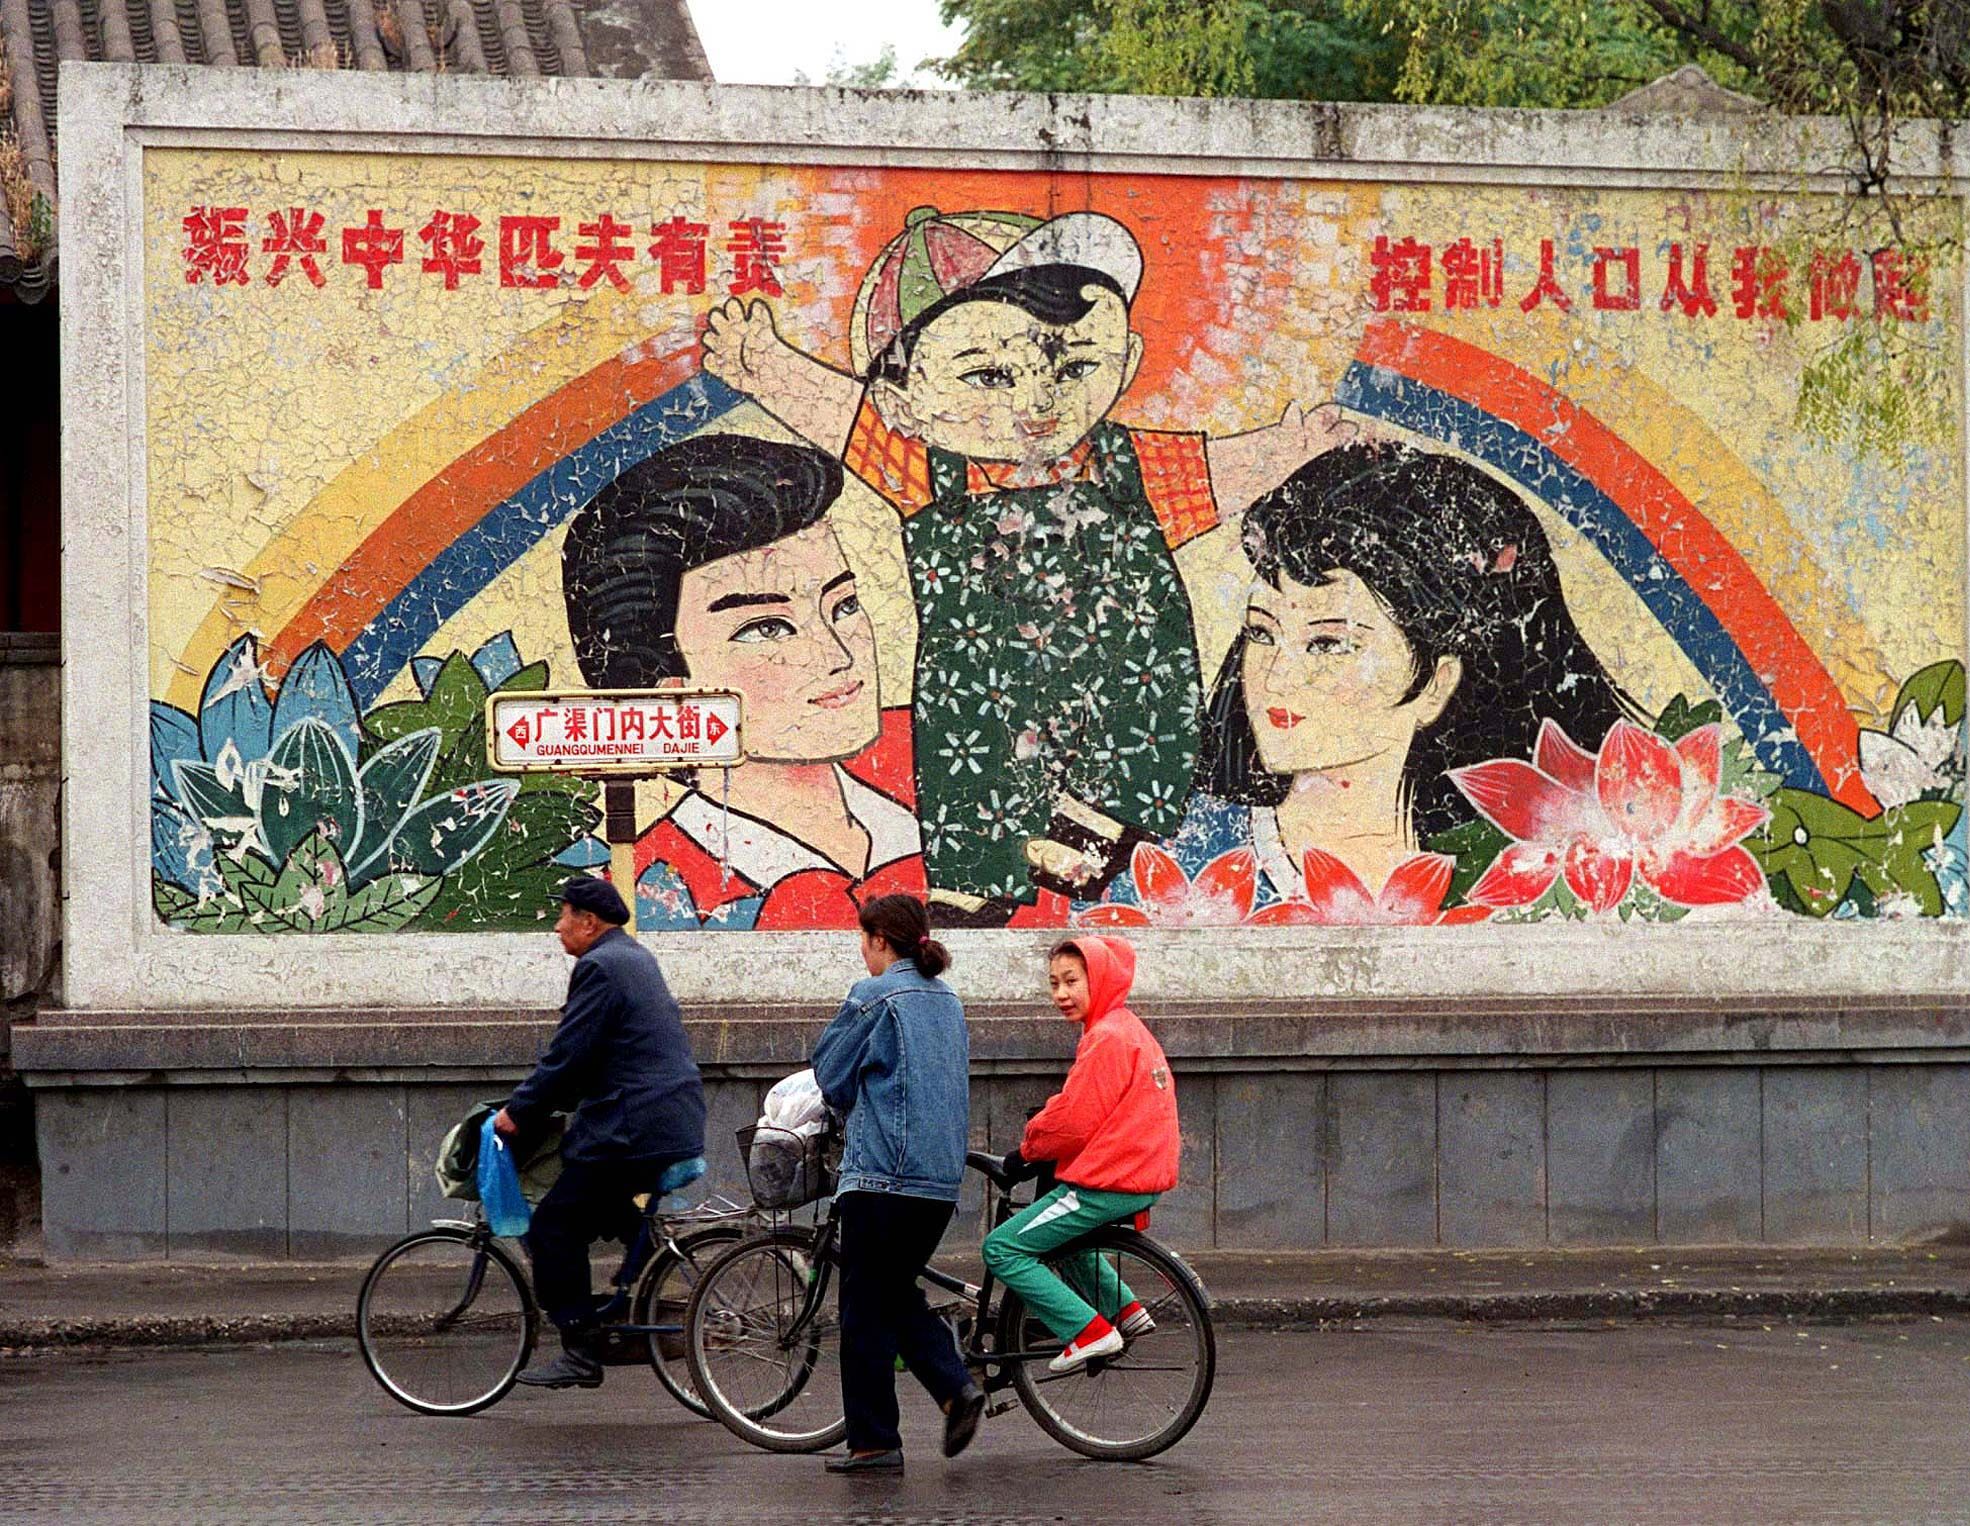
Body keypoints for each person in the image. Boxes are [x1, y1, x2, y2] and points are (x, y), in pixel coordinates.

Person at [701, 206, 1354, 920]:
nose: (1039, 401)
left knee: (1143, 723)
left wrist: (1285, 451)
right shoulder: (924, 473)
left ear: (1126, 362)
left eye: (1074, 367)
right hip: (984, 686)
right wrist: (765, 367)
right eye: (989, 377)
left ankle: (1096, 829)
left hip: (1121, 680)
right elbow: (841, 416)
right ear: (904, 402)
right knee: (969, 768)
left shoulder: (1130, 466)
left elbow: (1215, 472)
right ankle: (972, 888)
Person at [1109, 442, 1643, 910]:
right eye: (1263, 633)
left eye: (1328, 644)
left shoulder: (1548, 871)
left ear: (1438, 682)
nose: (1276, 677)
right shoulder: (1174, 865)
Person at [562, 433, 925, 929]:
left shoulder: (938, 757)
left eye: (843, 606)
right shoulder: (654, 889)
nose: (838, 655)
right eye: (767, 628)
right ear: (669, 693)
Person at [500, 875, 707, 1389]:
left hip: (633, 1126)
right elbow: (603, 1054)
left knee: (554, 1225)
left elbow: (569, 1055)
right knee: (598, 1194)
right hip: (663, 1117)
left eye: (564, 916)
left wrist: (519, 1111)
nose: (557, 927)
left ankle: (579, 1347)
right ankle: (643, 1261)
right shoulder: (632, 957)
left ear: (589, 923)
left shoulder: (600, 967)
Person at [809, 893, 983, 1474]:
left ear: (880, 939)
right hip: (937, 1183)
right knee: (890, 1291)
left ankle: (875, 1441)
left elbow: (830, 1073)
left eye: (863, 938)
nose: (861, 949)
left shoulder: (875, 996)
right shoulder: (947, 999)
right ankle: (954, 1387)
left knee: (862, 1306)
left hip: (883, 1176)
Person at [981, 935, 1178, 1374]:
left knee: (1001, 1249)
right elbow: (1082, 1103)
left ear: (1099, 978)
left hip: (1108, 1179)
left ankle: (1089, 1332)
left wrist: (1028, 1147)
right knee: (1063, 1242)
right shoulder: (1126, 1028)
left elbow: (1073, 1121)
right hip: (1138, 1174)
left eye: (1072, 980)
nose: (1061, 994)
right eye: (1053, 983)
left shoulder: (1105, 1037)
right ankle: (1125, 1311)